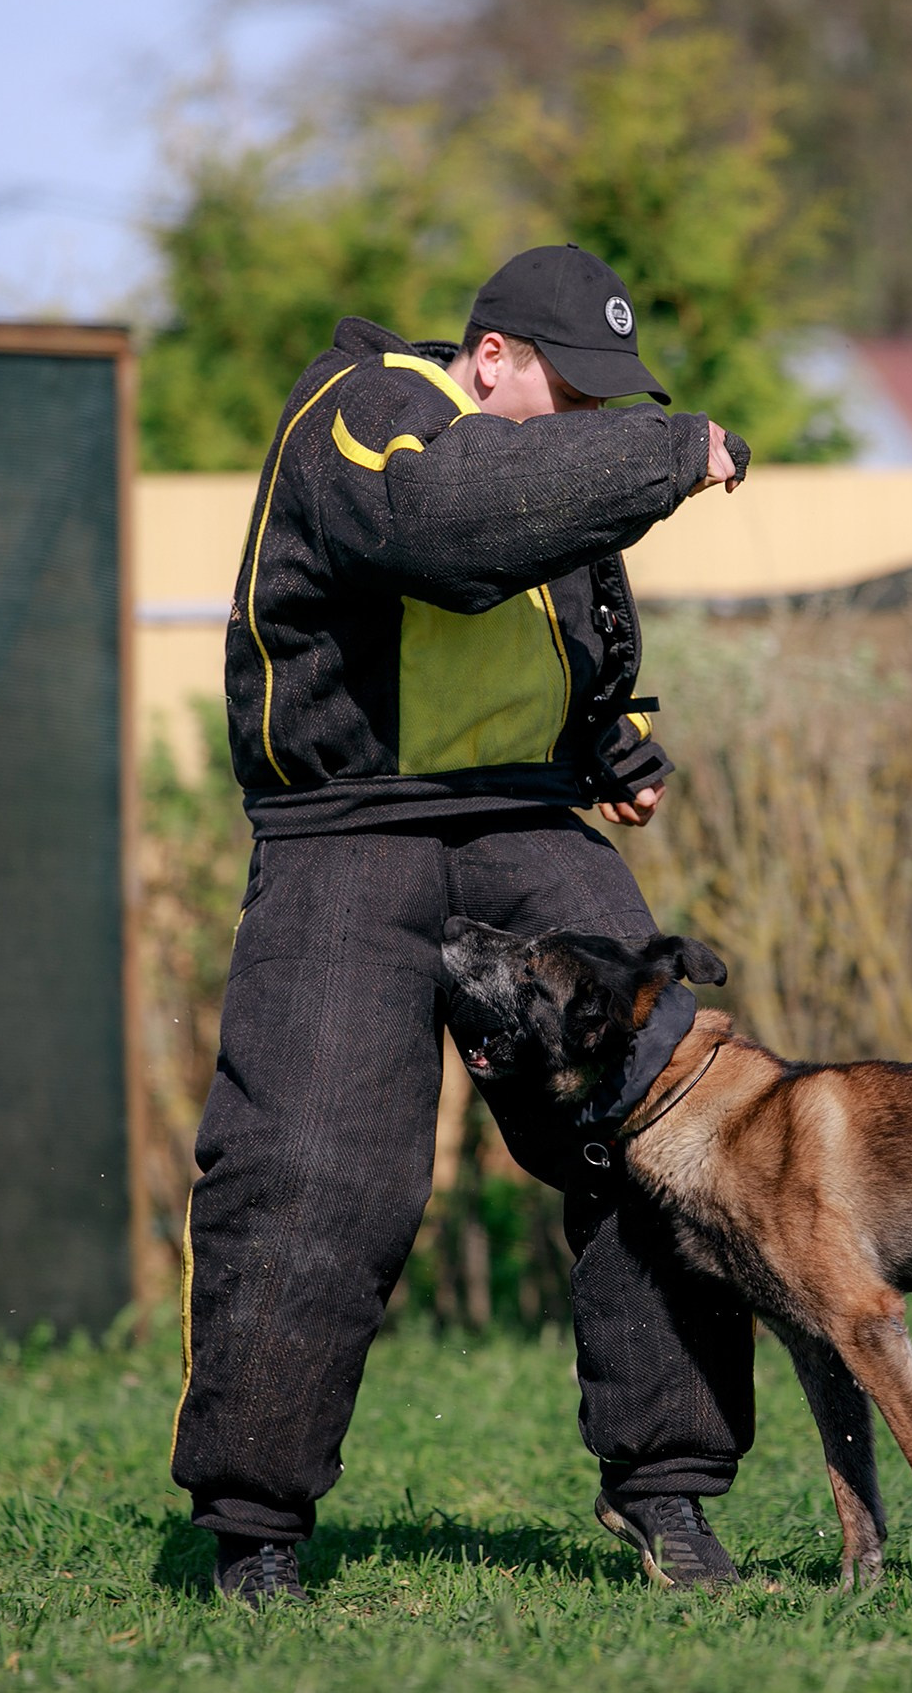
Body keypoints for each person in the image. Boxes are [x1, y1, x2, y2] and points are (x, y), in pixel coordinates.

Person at [170, 245, 753, 1604]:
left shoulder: (552, 459)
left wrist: (612, 737)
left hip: (530, 822)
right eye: (576, 391)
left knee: (662, 1124)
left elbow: (582, 611)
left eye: (620, 405)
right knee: (317, 1169)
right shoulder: (366, 406)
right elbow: (449, 528)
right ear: (489, 358)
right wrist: (672, 450)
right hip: (349, 831)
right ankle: (256, 1527)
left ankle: (669, 1491)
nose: (591, 427)